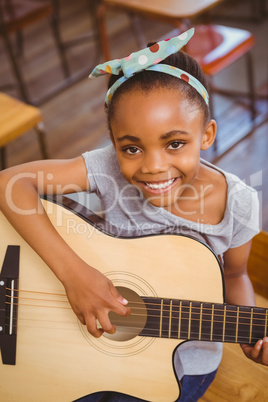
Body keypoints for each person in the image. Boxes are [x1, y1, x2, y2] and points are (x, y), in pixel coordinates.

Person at [0, 28, 267, 402]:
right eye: (132, 149)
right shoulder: (105, 167)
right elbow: (10, 183)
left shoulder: (237, 202)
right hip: (76, 334)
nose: (154, 167)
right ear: (114, 144)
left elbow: (235, 273)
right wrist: (75, 276)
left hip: (178, 364)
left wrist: (252, 335)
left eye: (175, 143)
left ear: (206, 135)